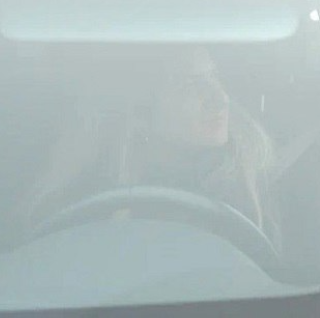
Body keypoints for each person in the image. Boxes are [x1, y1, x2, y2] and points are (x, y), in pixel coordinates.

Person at [26, 47, 278, 244]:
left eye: (213, 77)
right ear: (140, 113)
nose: (220, 99)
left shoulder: (255, 184)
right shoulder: (82, 196)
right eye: (190, 84)